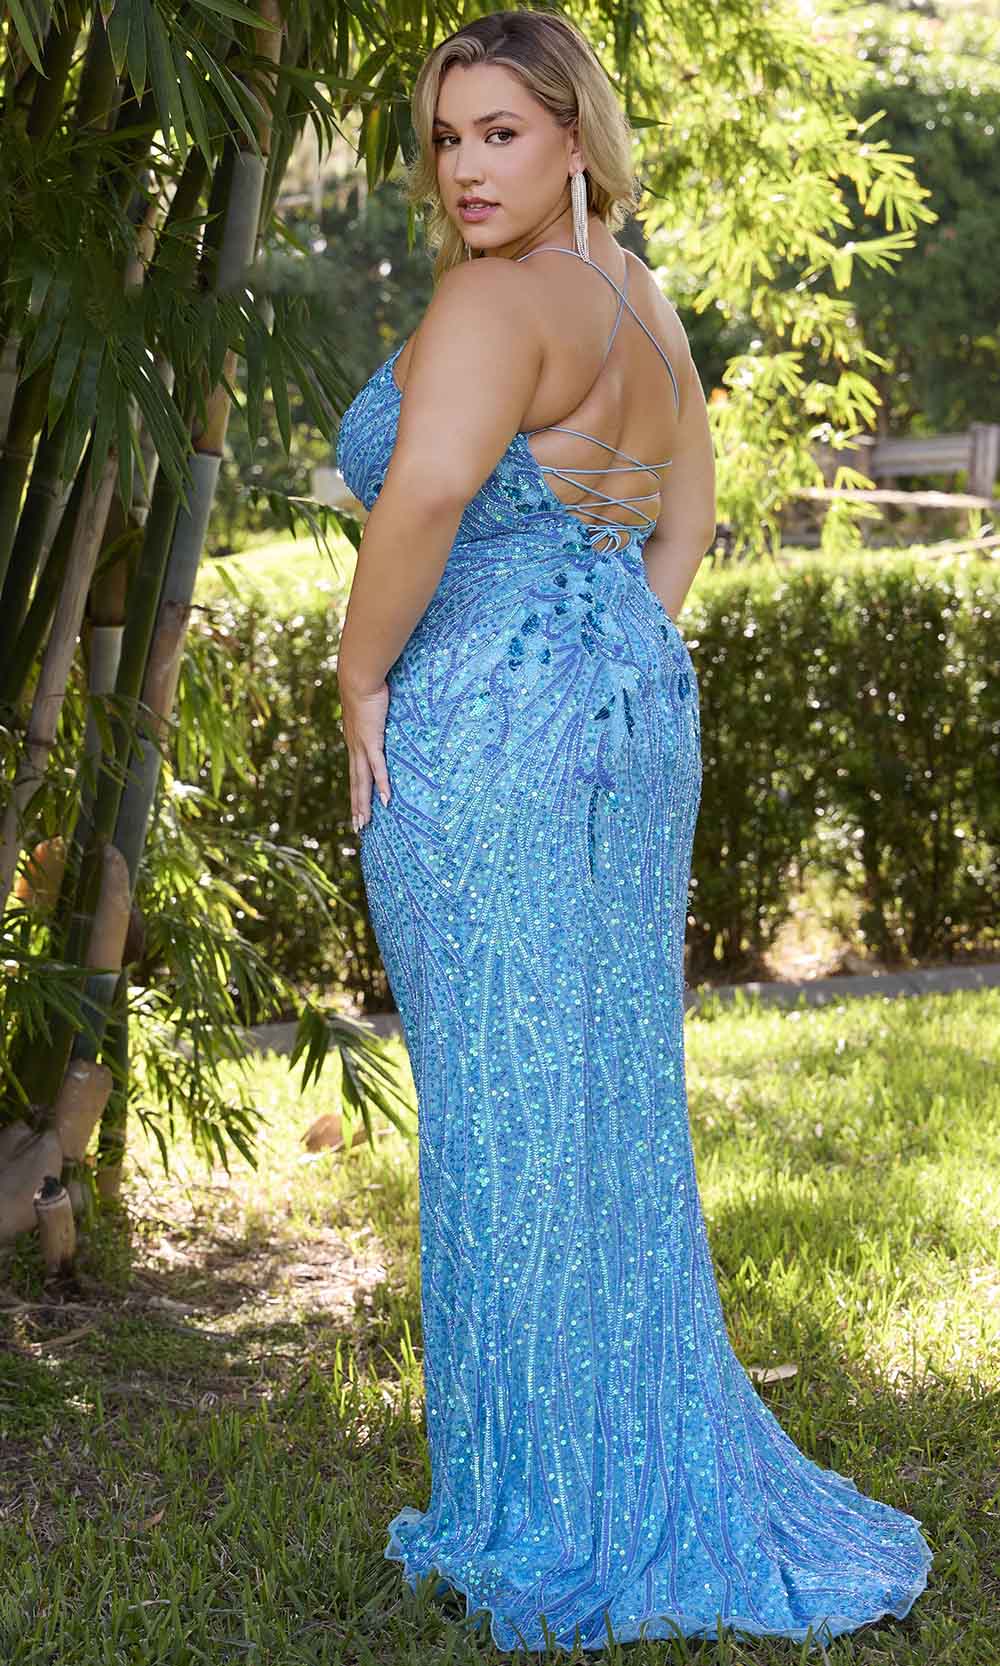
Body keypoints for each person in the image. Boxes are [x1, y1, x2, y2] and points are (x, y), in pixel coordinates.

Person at [334, 9, 933, 1653]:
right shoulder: (641, 298)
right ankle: (620, 1459)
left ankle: (550, 1505)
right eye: (446, 138)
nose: (465, 168)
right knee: (599, 1103)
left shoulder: (491, 301)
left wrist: (363, 675)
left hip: (483, 728)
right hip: (624, 711)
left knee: (506, 1110)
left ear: (575, 139)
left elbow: (427, 493)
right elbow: (688, 515)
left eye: (501, 134)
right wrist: (603, 648)